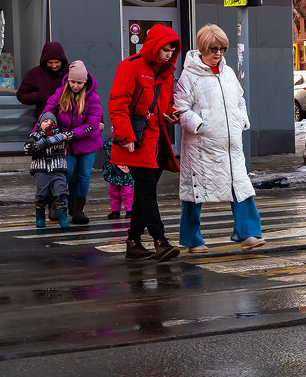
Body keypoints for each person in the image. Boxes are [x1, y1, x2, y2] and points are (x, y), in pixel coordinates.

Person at [173, 24, 265, 254]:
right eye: (214, 48)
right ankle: (191, 240)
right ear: (203, 47)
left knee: (241, 186)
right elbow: (180, 109)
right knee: (195, 192)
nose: (219, 53)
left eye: (223, 48)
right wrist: (200, 125)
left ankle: (249, 235)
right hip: (202, 147)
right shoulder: (189, 76)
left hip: (230, 145)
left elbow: (240, 99)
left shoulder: (228, 72)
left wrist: (242, 119)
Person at [108, 24, 182, 262]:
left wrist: (170, 114)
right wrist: (126, 136)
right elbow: (118, 104)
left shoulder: (166, 73)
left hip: (158, 140)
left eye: (172, 49)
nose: (169, 54)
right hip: (137, 140)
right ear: (154, 46)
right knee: (147, 189)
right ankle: (160, 241)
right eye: (165, 49)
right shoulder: (130, 67)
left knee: (143, 192)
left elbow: (164, 104)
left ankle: (133, 242)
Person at [42, 60, 102, 225]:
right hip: (66, 142)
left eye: (79, 83)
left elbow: (92, 123)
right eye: (73, 82)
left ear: (85, 82)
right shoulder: (60, 93)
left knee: (83, 175)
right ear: (68, 80)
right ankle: (57, 205)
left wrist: (71, 134)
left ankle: (77, 210)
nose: (75, 86)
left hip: (87, 142)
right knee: (65, 172)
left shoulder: (92, 97)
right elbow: (48, 112)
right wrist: (42, 129)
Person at [25, 112, 89, 229]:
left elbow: (71, 135)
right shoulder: (35, 136)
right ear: (40, 124)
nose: (48, 124)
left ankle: (62, 218)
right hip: (42, 170)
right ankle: (40, 217)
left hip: (58, 169)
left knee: (61, 192)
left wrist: (56, 138)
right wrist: (41, 143)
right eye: (45, 121)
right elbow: (28, 149)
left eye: (51, 122)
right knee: (42, 194)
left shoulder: (61, 135)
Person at [16, 42, 69, 119]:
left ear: (62, 61)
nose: (54, 66)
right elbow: (21, 95)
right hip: (45, 121)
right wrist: (39, 96)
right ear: (45, 61)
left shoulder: (71, 71)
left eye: (57, 62)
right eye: (50, 63)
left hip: (68, 119)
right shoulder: (35, 73)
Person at [101, 137, 134, 219]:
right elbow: (100, 144)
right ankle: (115, 211)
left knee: (127, 192)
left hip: (126, 172)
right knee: (114, 192)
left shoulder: (129, 141)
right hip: (113, 172)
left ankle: (129, 210)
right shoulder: (110, 142)